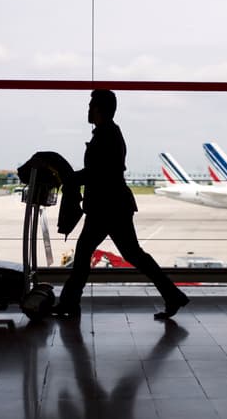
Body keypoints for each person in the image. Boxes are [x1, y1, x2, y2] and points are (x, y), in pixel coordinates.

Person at [53, 89, 189, 320]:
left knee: (92, 253)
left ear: (99, 109)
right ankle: (172, 295)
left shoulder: (107, 135)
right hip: (111, 206)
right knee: (130, 255)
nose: (88, 110)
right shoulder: (109, 133)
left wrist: (71, 178)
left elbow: (98, 172)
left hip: (108, 207)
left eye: (91, 106)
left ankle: (69, 303)